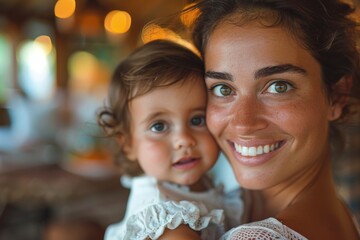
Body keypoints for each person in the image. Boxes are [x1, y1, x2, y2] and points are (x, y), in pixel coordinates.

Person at [159, 0, 360, 239]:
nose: (244, 122)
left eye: (279, 86)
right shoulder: (337, 216)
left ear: (337, 96)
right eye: (223, 89)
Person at [97, 39, 244, 240]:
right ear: (128, 144)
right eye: (159, 126)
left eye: (197, 119)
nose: (184, 140)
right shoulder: (164, 216)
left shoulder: (198, 184)